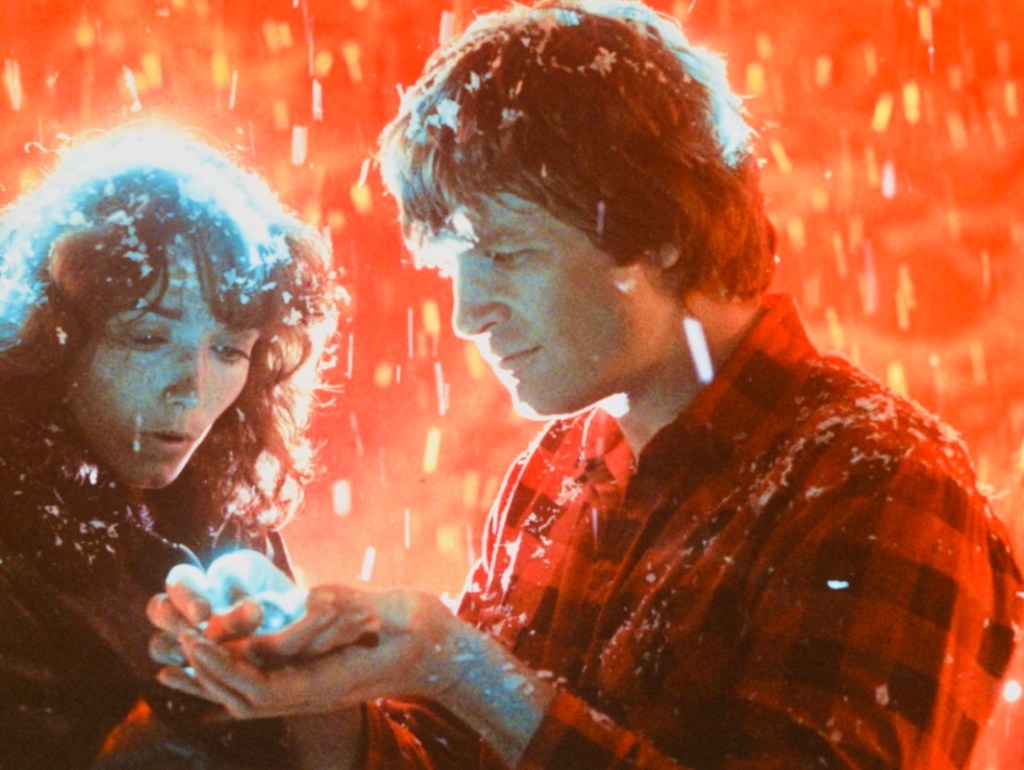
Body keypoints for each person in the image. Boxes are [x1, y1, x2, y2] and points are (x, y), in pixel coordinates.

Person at [148, 2, 1023, 768]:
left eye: (507, 255)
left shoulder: (883, 484)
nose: (467, 315)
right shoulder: (556, 470)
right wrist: (310, 686)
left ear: (660, 230)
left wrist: (463, 669)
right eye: (452, 267)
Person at [0, 127, 339, 767]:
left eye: (230, 348)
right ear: (55, 336)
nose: (194, 389)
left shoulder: (229, 519)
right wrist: (179, 715)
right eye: (149, 339)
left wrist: (319, 689)